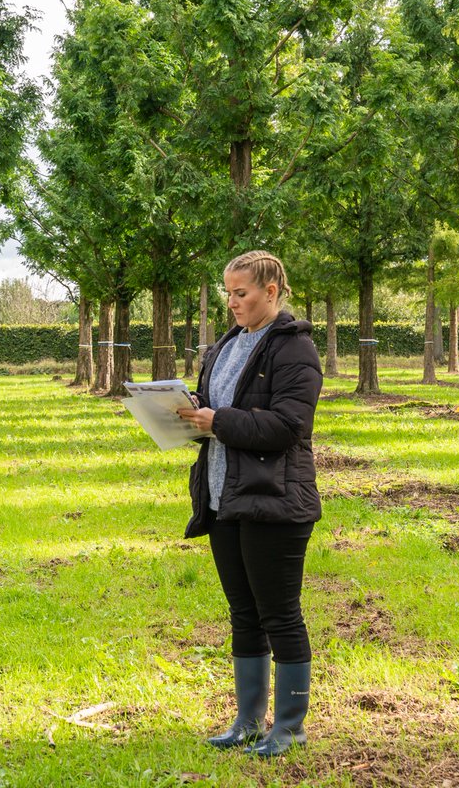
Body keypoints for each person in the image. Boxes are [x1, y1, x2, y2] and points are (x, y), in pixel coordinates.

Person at [175, 251, 322, 757]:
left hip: (274, 501)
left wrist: (218, 421)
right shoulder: (227, 344)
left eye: (241, 293)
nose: (232, 302)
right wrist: (191, 413)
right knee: (244, 614)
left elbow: (288, 426)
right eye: (228, 293)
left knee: (280, 615)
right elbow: (217, 408)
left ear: (271, 291)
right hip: (224, 498)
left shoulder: (295, 348)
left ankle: (290, 727)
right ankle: (248, 722)